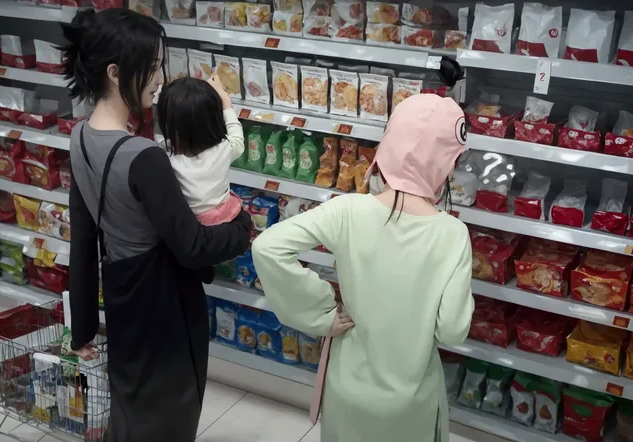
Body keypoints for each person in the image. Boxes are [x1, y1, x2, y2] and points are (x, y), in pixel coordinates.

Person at [61, 9, 252, 442]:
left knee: (132, 405)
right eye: (152, 67)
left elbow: (83, 238)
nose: (158, 78)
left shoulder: (79, 138)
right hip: (164, 305)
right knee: (171, 414)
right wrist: (242, 225)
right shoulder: (143, 157)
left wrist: (84, 328)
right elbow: (194, 246)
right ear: (115, 73)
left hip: (123, 296)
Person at [252, 93, 474, 442]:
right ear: (447, 163)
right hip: (410, 399)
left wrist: (320, 312)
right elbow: (451, 330)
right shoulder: (452, 235)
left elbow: (268, 247)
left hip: (348, 390)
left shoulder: (348, 210)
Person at [156, 76, 244, 226]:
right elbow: (236, 133)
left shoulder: (166, 156)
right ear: (215, 118)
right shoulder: (225, 148)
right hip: (225, 220)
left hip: (189, 226)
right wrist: (225, 100)